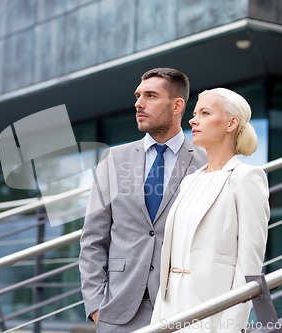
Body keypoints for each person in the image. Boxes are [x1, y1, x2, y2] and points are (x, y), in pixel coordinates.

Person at [79, 68, 207, 332]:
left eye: (150, 96)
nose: (139, 103)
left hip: (183, 309)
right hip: (117, 311)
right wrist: (95, 306)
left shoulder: (205, 162)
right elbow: (92, 239)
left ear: (177, 105)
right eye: (138, 96)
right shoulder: (114, 159)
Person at [150, 88, 270, 332]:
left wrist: (231, 326)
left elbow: (249, 265)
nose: (193, 120)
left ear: (231, 123)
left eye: (205, 113)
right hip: (171, 303)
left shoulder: (247, 178)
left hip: (212, 308)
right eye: (195, 113)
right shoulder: (190, 181)